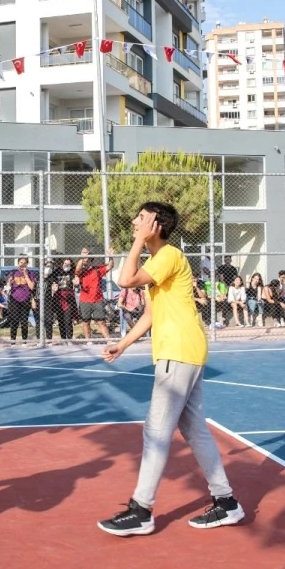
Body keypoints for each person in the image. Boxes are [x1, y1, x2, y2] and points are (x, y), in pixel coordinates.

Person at [97, 202, 243, 537]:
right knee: (194, 430)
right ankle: (227, 503)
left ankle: (142, 510)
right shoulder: (159, 260)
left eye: (142, 217)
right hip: (184, 349)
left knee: (156, 431)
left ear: (157, 224)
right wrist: (124, 343)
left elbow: (125, 279)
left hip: (179, 351)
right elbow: (150, 313)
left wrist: (138, 242)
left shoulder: (168, 255)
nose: (134, 221)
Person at [76, 249, 113, 341]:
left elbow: (109, 267)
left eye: (87, 259)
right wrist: (83, 257)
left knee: (101, 322)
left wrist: (111, 257)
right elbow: (77, 269)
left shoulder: (97, 270)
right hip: (85, 300)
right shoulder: (81, 271)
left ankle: (108, 340)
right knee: (86, 322)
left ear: (91, 260)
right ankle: (88, 341)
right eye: (84, 259)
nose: (85, 261)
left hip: (97, 300)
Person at [4, 257, 37, 344]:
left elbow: (32, 287)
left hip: (25, 298)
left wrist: (26, 275)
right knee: (14, 320)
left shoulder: (30, 273)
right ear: (18, 263)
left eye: (24, 263)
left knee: (24, 321)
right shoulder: (14, 272)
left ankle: (24, 341)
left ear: (27, 264)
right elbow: (8, 285)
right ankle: (13, 341)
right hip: (14, 298)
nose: (22, 264)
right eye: (20, 262)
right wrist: (9, 282)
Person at [50, 258, 78, 342]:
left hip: (68, 297)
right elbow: (53, 282)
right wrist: (53, 286)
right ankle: (63, 338)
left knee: (68, 319)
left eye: (68, 264)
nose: (67, 265)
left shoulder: (72, 271)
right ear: (62, 263)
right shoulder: (57, 271)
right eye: (65, 264)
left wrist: (75, 283)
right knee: (61, 320)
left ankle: (69, 339)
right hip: (58, 298)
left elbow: (75, 281)